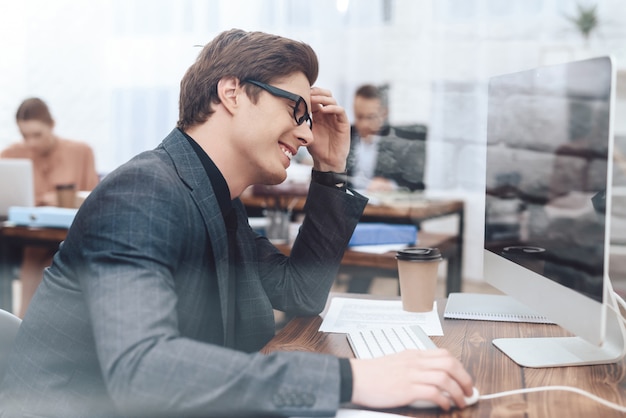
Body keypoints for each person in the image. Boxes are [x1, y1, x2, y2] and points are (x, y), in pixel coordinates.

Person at [0, 29, 473, 417]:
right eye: (297, 110)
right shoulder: (143, 192)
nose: (308, 134)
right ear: (232, 93)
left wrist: (331, 172)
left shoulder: (213, 197)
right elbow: (142, 370)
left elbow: (299, 292)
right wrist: (350, 380)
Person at [0, 97, 99, 318]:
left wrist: (62, 199)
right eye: (25, 136)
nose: (31, 143)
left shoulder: (81, 152)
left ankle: (27, 323)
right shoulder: (10, 155)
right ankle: (17, 324)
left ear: (51, 126)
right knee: (34, 255)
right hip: (29, 239)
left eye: (37, 135)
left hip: (71, 234)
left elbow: (94, 199)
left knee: (47, 259)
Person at [346, 84, 426, 192]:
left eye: (370, 117)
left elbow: (417, 184)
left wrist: (391, 185)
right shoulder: (344, 136)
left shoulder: (399, 143)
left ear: (384, 114)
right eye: (359, 116)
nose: (364, 124)